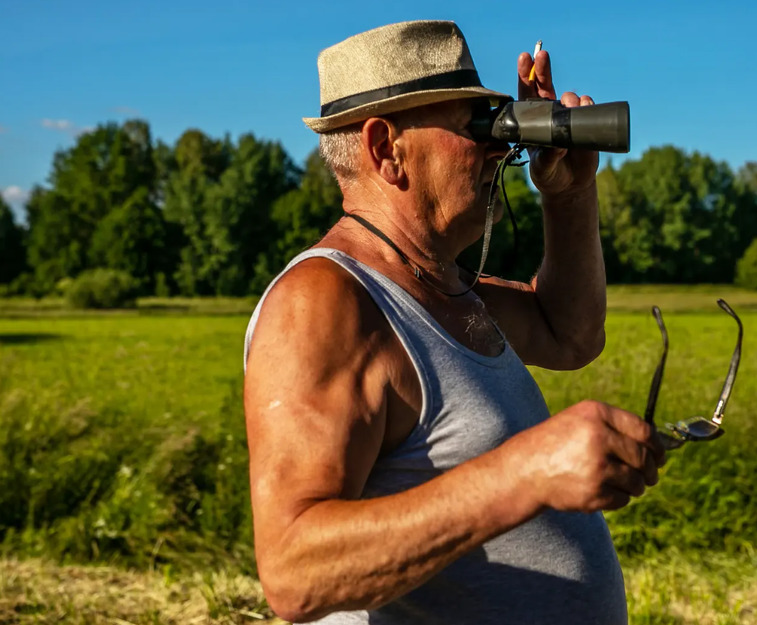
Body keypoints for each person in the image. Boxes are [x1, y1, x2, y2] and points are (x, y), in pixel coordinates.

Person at [243, 20, 666, 625]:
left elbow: (570, 332)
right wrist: (527, 472)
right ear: (386, 147)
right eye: (476, 126)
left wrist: (569, 194)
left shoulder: (444, 289)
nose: (500, 147)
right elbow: (295, 571)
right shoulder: (324, 303)